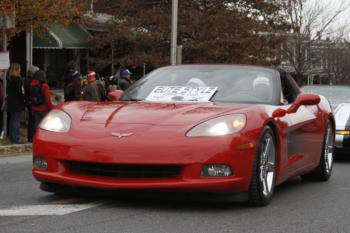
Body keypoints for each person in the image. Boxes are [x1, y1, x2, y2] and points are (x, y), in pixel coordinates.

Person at [7, 63, 25, 144]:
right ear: (17, 70)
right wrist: (23, 98)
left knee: (12, 120)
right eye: (19, 68)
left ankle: (12, 137)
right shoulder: (18, 79)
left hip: (11, 103)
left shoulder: (10, 78)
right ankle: (15, 138)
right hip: (17, 103)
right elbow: (19, 92)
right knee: (16, 121)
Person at [25, 65, 39, 142]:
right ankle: (31, 137)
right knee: (32, 120)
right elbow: (31, 91)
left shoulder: (28, 80)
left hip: (29, 102)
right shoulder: (30, 81)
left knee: (32, 120)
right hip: (31, 103)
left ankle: (31, 137)